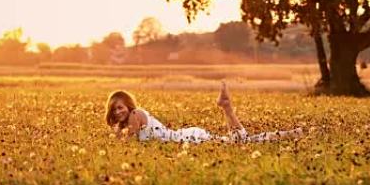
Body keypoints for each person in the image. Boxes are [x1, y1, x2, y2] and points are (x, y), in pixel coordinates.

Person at [105, 82, 303, 143]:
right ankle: (227, 108)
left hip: (188, 141)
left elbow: (125, 144)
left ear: (129, 106)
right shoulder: (127, 121)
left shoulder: (135, 115)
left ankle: (228, 107)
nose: (118, 111)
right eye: (114, 109)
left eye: (120, 107)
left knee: (241, 143)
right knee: (242, 142)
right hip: (186, 139)